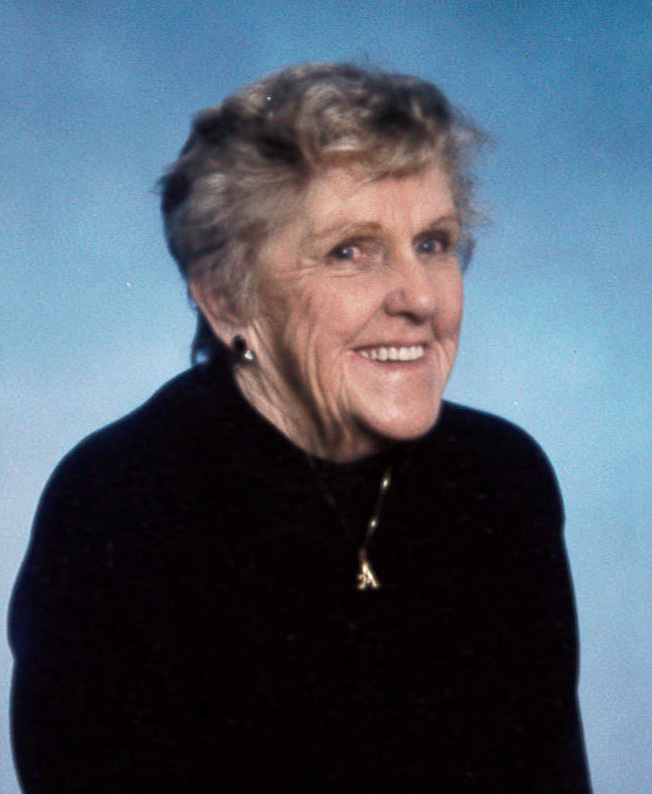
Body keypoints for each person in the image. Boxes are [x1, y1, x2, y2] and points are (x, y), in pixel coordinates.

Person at [10, 63, 593, 793]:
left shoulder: (499, 479)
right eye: (351, 251)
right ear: (227, 299)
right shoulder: (117, 503)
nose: (419, 297)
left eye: (434, 243)